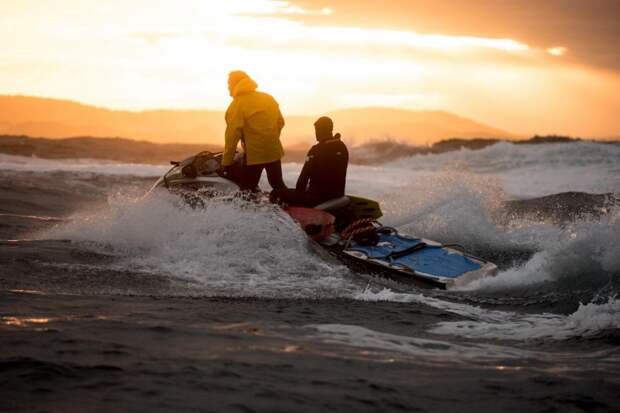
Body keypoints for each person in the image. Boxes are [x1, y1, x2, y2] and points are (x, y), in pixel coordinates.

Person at [219, 70, 286, 192]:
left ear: (235, 84)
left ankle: (249, 211)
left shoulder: (238, 104)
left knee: (246, 192)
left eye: (229, 84)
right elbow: (280, 122)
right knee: (278, 185)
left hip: (254, 154)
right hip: (273, 149)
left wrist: (227, 162)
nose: (228, 87)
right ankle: (291, 208)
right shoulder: (268, 98)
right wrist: (270, 137)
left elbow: (232, 135)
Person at [273, 116, 348, 207]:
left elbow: (302, 180)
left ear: (320, 130)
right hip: (337, 195)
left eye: (317, 130)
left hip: (317, 198)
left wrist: (298, 197)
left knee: (276, 193)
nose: (316, 133)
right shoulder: (342, 147)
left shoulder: (316, 150)